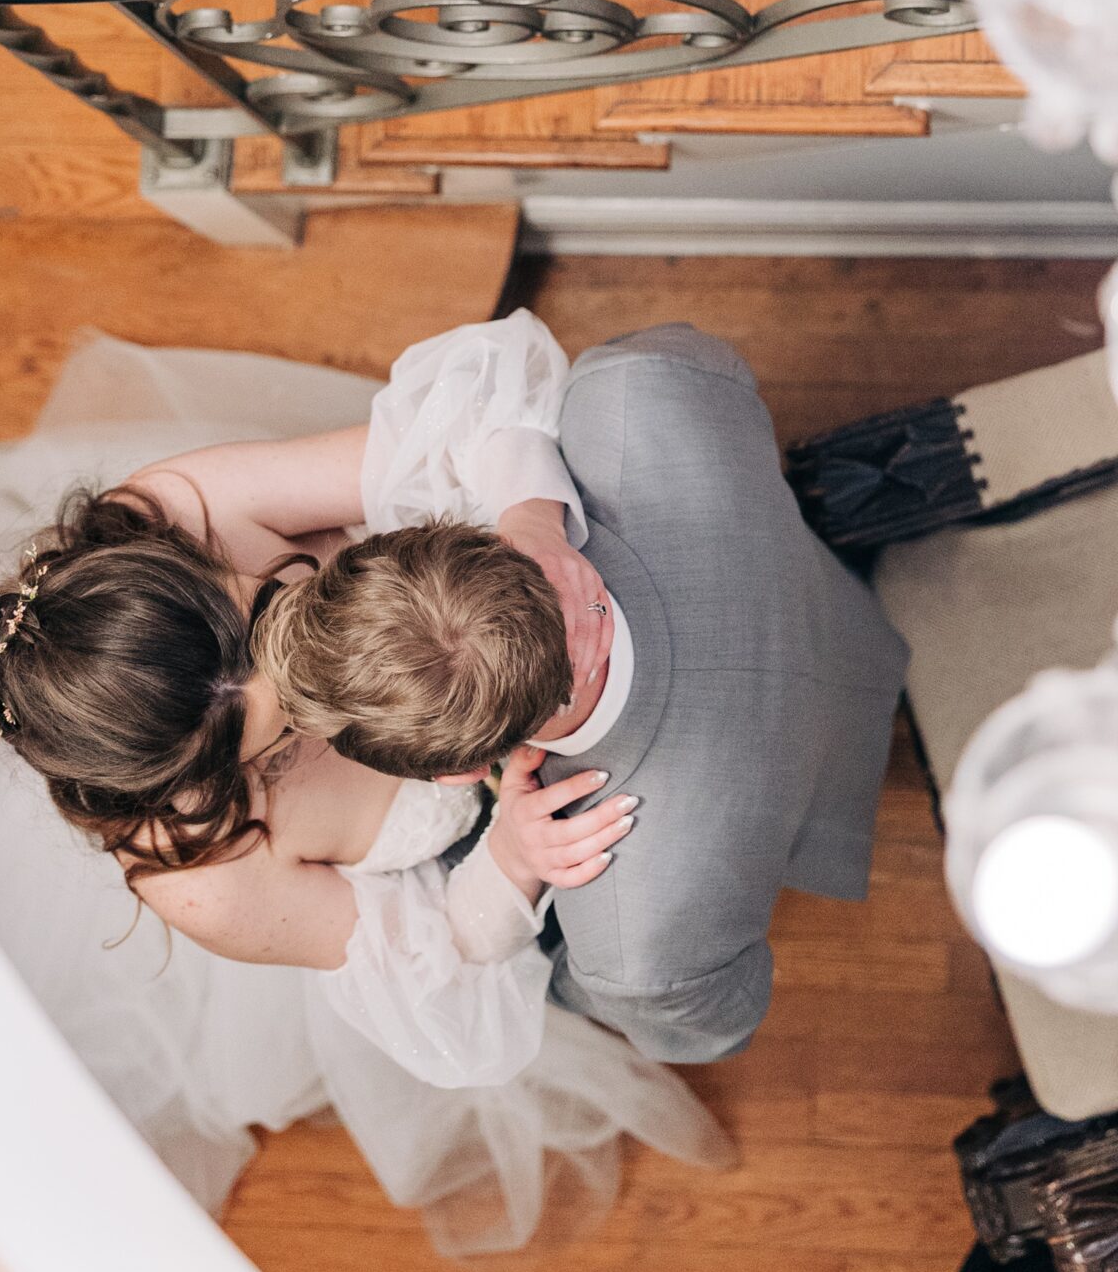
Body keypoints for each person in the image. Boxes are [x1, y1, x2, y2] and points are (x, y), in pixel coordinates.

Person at [0, 313, 728, 1254]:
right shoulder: (203, 873)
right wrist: (514, 857)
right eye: (295, 721)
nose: (313, 681)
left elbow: (459, 435)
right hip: (501, 842)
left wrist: (529, 528)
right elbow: (438, 949)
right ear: (200, 777)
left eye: (280, 611)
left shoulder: (182, 511)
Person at [264, 323, 912, 1064]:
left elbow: (717, 1031)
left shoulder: (635, 945)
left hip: (804, 805)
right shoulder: (638, 385)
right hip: (820, 604)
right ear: (458, 536)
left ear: (456, 773)